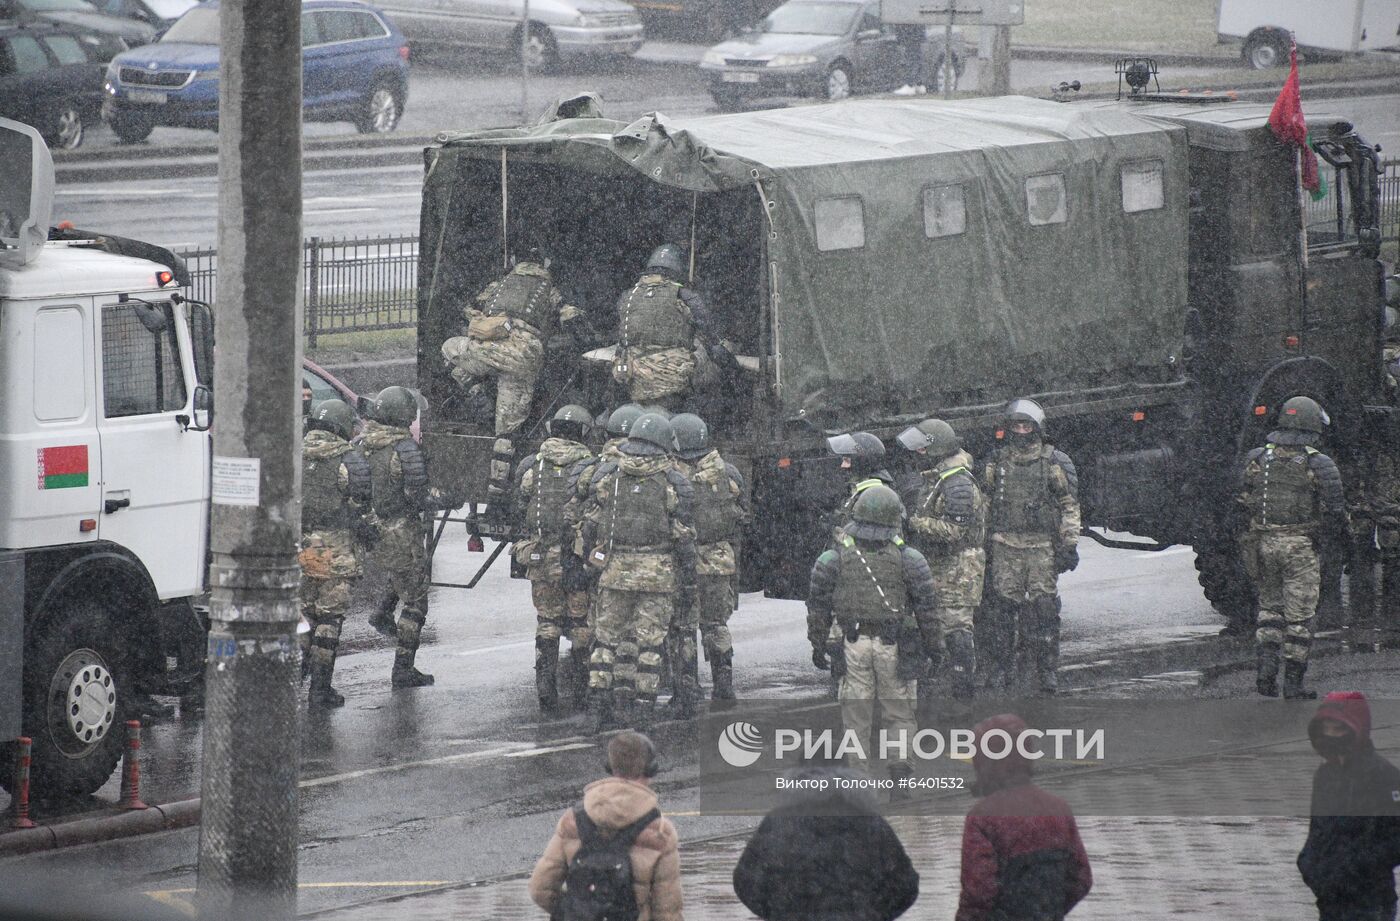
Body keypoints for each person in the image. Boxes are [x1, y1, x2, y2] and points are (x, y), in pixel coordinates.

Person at [441, 244, 588, 517]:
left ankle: (477, 394)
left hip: (489, 351)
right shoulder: (551, 290)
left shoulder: (499, 284)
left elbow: (470, 311)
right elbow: (571, 316)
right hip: (523, 357)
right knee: (506, 430)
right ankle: (497, 493)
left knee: (450, 349)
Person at [807, 484, 938, 785]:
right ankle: (900, 779)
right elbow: (928, 610)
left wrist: (818, 643)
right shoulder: (910, 558)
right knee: (900, 713)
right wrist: (935, 649)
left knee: (856, 719)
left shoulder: (834, 557)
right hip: (894, 646)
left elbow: (818, 606)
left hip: (853, 645)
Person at [581, 413, 697, 731]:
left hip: (614, 570)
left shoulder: (608, 475)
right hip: (657, 573)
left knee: (605, 640)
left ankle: (600, 707)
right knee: (649, 644)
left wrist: (590, 563)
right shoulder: (673, 481)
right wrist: (687, 579)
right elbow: (683, 536)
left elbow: (590, 524)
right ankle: (643, 710)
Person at [1238, 395, 1346, 699]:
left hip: (1263, 544)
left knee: (1270, 610)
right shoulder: (1319, 463)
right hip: (1299, 548)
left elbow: (1242, 502)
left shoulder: (1257, 458)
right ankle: (1294, 685)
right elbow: (1335, 511)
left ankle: (1266, 674)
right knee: (1300, 618)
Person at [732, 759, 919, 921]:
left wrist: (779, 912)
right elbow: (905, 884)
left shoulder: (779, 821)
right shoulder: (869, 821)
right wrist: (873, 914)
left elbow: (746, 880)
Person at [980, 399, 1081, 695]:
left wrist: (1069, 544)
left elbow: (1069, 506)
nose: (1022, 431)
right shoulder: (996, 463)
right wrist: (981, 542)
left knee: (1044, 610)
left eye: (1027, 426)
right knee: (1000, 613)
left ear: (1037, 428)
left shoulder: (1053, 462)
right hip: (1005, 545)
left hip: (1041, 546)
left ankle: (1046, 669)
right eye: (1017, 426)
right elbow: (984, 505)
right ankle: (1001, 667)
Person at [529, 731, 683, 921]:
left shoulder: (573, 820)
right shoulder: (659, 832)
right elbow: (667, 911)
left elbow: (540, 889)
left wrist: (574, 912)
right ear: (650, 769)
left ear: (610, 766)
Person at [957, 713, 1093, 921]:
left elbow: (978, 892)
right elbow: (1081, 878)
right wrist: (1047, 911)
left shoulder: (983, 818)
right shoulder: (1058, 809)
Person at [362, 385, 453, 689]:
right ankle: (403, 668)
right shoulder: (404, 449)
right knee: (416, 601)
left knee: (400, 574)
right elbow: (418, 495)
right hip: (400, 529)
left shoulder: (362, 443)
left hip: (370, 528)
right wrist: (445, 498)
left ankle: (382, 610)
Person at [515, 404, 597, 714]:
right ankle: (581, 690)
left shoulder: (534, 465)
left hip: (540, 554)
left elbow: (521, 501)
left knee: (547, 621)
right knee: (579, 621)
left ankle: (546, 688)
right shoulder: (589, 467)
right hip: (573, 556)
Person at [898, 418, 986, 700]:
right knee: (934, 625)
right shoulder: (938, 478)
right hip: (939, 563)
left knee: (957, 629)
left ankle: (963, 694)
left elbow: (955, 530)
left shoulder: (957, 483)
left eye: (924, 449)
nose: (918, 454)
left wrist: (914, 523)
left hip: (959, 566)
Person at [298, 399, 375, 708]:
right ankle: (320, 688)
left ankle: (295, 676)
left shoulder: (296, 454)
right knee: (330, 618)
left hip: (304, 544)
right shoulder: (348, 460)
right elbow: (361, 506)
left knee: (306, 614)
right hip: (337, 546)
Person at [1298, 691, 1400, 921]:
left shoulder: (1384, 776)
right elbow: (1318, 830)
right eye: (1326, 729)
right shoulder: (1325, 776)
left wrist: (1355, 867)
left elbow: (1395, 840)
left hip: (1369, 899)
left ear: (1356, 729)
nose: (1331, 735)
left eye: (1338, 729)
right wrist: (1309, 863)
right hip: (1331, 896)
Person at [671, 412, 747, 704]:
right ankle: (723, 679)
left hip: (684, 562)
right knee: (716, 624)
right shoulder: (729, 473)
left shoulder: (674, 477)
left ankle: (687, 689)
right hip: (719, 560)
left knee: (684, 627)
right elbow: (740, 514)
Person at [611, 243, 733, 410]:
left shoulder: (628, 296)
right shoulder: (685, 296)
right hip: (673, 377)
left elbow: (623, 337)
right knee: (718, 362)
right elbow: (709, 332)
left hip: (635, 377)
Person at [826, 431, 896, 542]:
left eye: (847, 460)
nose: (842, 465)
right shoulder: (863, 488)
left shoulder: (877, 494)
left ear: (862, 462)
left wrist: (838, 534)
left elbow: (871, 538)